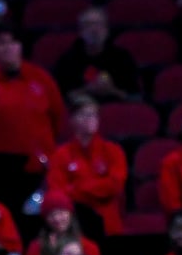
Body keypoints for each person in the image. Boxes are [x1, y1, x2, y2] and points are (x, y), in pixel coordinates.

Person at [0, 27, 64, 209]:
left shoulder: (41, 79)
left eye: (13, 42)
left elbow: (57, 118)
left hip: (35, 167)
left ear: (21, 47)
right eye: (2, 43)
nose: (7, 47)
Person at [45, 94, 128, 237]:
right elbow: (58, 192)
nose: (91, 119)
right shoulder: (61, 155)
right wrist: (97, 189)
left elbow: (115, 185)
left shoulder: (113, 151)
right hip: (76, 226)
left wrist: (77, 188)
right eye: (84, 114)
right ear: (72, 120)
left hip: (109, 225)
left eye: (94, 115)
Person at [54, 5, 140, 104]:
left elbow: (135, 97)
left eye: (99, 24)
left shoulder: (122, 58)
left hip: (116, 110)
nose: (94, 30)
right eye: (88, 25)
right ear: (80, 31)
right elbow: (60, 98)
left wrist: (111, 90)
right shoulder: (68, 60)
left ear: (107, 29)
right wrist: (88, 89)